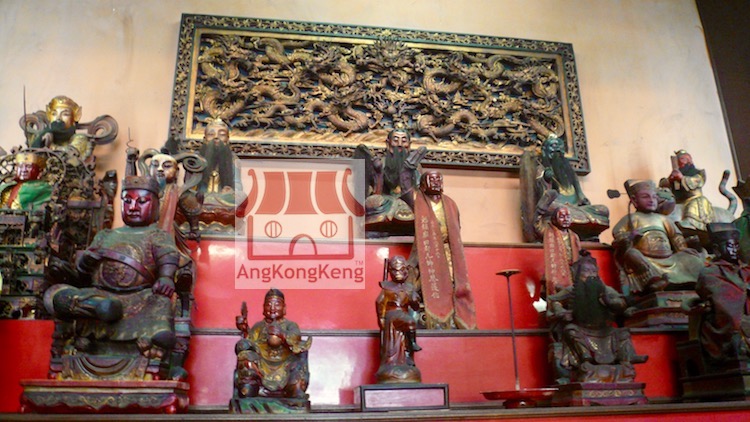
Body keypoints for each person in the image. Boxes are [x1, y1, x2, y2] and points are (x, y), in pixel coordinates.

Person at [43, 175, 182, 379]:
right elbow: (83, 273)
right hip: (101, 294)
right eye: (127, 201)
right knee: (57, 294)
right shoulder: (105, 235)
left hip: (139, 298)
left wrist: (166, 277)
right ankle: (97, 307)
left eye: (141, 202)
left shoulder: (158, 235)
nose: (133, 207)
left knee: (160, 302)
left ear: (155, 206)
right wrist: (86, 261)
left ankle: (127, 322)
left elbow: (168, 257)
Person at [546, 250, 647, 383]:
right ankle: (585, 358)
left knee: (623, 333)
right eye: (586, 271)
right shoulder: (572, 290)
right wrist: (561, 311)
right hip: (581, 328)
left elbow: (621, 302)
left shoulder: (605, 290)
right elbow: (553, 300)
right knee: (570, 331)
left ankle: (627, 358)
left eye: (593, 271)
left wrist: (609, 301)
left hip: (604, 330)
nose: (590, 274)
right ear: (576, 273)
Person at [612, 179, 705, 295]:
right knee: (632, 255)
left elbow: (676, 236)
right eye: (645, 197)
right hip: (648, 259)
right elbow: (618, 235)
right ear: (634, 201)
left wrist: (682, 249)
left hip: (670, 259)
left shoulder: (663, 219)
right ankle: (652, 282)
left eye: (654, 197)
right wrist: (630, 236)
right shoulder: (631, 219)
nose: (651, 200)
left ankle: (693, 282)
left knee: (691, 258)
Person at [410, 170, 477, 329]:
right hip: (427, 250)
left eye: (438, 179)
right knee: (421, 282)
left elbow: (456, 228)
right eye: (431, 179)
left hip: (448, 250)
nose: (436, 182)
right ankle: (434, 317)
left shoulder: (450, 204)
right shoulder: (417, 202)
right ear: (423, 184)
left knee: (454, 281)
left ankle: (455, 318)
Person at [234, 289, 312, 400]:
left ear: (284, 308)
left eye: (277, 304)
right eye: (269, 305)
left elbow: (296, 339)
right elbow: (250, 343)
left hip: (285, 364)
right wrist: (245, 329)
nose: (272, 308)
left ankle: (291, 390)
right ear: (263, 308)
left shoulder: (290, 325)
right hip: (262, 365)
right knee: (244, 354)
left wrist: (282, 334)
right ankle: (254, 388)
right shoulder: (259, 326)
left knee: (298, 367)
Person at [690, 223, 750, 364]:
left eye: (736, 246)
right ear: (717, 249)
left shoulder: (746, 270)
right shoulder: (710, 272)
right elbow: (722, 298)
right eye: (730, 246)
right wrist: (745, 289)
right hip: (726, 321)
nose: (734, 250)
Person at [533, 134, 609, 241]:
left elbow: (579, 193)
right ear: (545, 151)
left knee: (603, 210)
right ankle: (579, 222)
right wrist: (545, 179)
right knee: (553, 209)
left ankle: (581, 226)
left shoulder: (570, 172)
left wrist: (583, 199)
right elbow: (542, 196)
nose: (557, 149)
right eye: (553, 146)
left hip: (575, 208)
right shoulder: (541, 170)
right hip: (556, 207)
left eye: (559, 146)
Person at [356, 128, 427, 235]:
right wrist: (378, 173)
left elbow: (418, 189)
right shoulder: (382, 162)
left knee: (422, 204)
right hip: (386, 201)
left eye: (404, 141)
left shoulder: (415, 166)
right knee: (373, 201)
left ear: (409, 144)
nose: (400, 144)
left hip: (408, 201)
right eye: (396, 140)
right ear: (388, 143)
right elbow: (376, 193)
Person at [375, 255, 422, 383]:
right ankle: (411, 345)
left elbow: (415, 307)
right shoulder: (387, 287)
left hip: (404, 313)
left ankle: (408, 354)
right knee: (409, 322)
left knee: (407, 326)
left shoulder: (409, 287)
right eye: (395, 270)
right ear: (390, 271)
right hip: (392, 314)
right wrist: (382, 318)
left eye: (401, 270)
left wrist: (414, 300)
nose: (398, 273)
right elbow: (380, 303)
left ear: (406, 270)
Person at [663, 149, 715, 231]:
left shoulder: (698, 172)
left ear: (688, 160)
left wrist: (682, 178)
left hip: (693, 197)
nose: (679, 161)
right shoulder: (676, 172)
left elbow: (698, 181)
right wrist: (669, 180)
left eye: (682, 158)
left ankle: (691, 221)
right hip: (678, 200)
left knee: (696, 203)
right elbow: (663, 186)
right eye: (678, 159)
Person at [30, 96, 92, 161]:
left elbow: (68, 156)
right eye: (54, 114)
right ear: (49, 116)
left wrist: (50, 145)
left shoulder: (79, 138)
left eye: (65, 114)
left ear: (75, 117)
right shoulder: (41, 136)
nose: (58, 118)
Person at [198, 118, 243, 207]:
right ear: (205, 139)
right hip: (201, 197)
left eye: (222, 134)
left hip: (223, 198)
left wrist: (230, 191)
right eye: (211, 134)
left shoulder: (233, 160)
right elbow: (189, 185)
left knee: (242, 196)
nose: (216, 137)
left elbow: (237, 185)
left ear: (227, 139)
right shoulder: (196, 159)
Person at [542, 205, 581, 297]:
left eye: (568, 217)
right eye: (562, 217)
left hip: (573, 269)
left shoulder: (574, 236)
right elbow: (536, 225)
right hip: (558, 269)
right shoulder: (549, 233)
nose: (566, 219)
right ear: (555, 219)